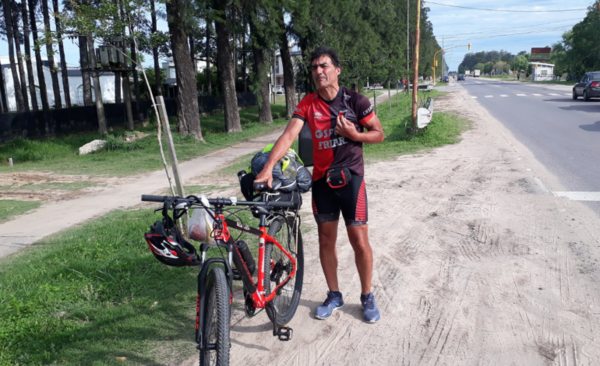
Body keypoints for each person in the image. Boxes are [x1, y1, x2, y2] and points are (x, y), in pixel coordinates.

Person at [254, 46, 384, 323]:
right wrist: (267, 169)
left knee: (359, 241)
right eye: (314, 68)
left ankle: (366, 296)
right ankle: (334, 294)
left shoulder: (356, 101)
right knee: (326, 240)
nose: (318, 72)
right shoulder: (308, 104)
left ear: (337, 70)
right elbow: (289, 135)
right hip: (322, 182)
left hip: (351, 180)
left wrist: (354, 134)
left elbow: (379, 134)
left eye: (324, 66)